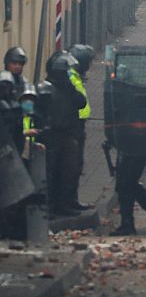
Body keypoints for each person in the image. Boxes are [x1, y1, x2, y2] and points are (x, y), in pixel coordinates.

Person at [41, 52, 87, 217]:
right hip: (52, 135)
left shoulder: (68, 89)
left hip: (68, 134)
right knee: (50, 172)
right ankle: (50, 206)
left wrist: (72, 88)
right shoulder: (46, 88)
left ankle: (65, 204)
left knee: (68, 170)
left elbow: (82, 103)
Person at [111, 152, 146, 236]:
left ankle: (128, 223)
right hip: (136, 146)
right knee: (127, 181)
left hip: (137, 147)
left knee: (126, 181)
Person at [68, 45, 94, 211]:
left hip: (78, 125)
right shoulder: (71, 77)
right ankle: (69, 201)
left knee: (77, 165)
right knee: (72, 165)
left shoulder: (75, 75)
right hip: (73, 125)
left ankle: (73, 200)